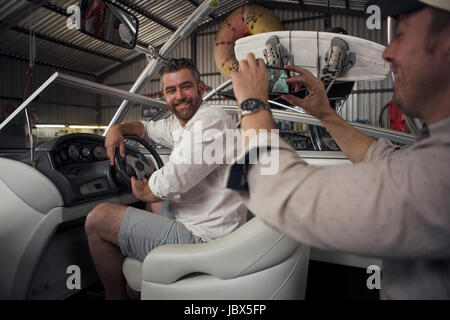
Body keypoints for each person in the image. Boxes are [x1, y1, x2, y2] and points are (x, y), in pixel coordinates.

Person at [227, 0, 450, 299]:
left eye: (403, 34)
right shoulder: (435, 153)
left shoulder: (439, 174)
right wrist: (325, 114)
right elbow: (386, 160)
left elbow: (275, 190)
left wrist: (252, 104)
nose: (387, 52)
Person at [85, 58, 245, 300]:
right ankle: (147, 276)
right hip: (202, 219)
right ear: (165, 95)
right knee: (156, 204)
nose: (179, 95)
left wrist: (144, 188)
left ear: (200, 87)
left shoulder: (212, 120)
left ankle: (114, 296)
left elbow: (172, 179)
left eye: (186, 86)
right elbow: (146, 128)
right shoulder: (181, 124)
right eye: (171, 90)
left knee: (97, 218)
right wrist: (117, 128)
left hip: (205, 238)